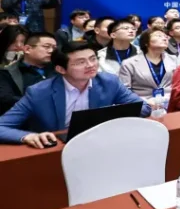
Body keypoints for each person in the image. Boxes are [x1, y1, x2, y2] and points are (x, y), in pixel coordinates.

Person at [0, 41, 148, 148]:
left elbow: (144, 108)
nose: (91, 65)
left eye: (93, 58)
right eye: (80, 62)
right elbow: (2, 126)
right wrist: (28, 136)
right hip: (58, 149)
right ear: (61, 69)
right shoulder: (39, 92)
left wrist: (109, 117)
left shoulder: (109, 82)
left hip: (99, 143)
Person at [0, 32, 57, 115]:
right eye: (46, 47)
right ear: (27, 49)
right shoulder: (7, 72)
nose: (51, 51)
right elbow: (6, 99)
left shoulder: (59, 70)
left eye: (54, 48)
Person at [117, 28, 178, 101]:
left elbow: (179, 83)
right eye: (159, 36)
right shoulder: (129, 63)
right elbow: (125, 90)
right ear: (146, 42)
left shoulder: (174, 59)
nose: (164, 39)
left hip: (170, 101)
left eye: (165, 37)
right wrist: (144, 102)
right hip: (142, 102)